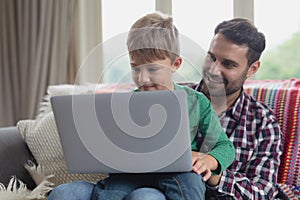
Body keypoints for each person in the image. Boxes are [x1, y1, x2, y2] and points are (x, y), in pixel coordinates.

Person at [48, 12, 235, 200]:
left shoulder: (196, 102)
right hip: (131, 176)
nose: (142, 78)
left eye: (152, 69)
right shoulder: (124, 104)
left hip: (178, 174)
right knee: (79, 193)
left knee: (190, 184)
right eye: (135, 68)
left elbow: (225, 147)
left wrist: (209, 160)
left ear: (175, 64)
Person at [193, 18, 283, 199]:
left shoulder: (263, 124)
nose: (213, 70)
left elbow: (263, 191)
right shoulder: (171, 96)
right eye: (211, 57)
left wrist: (214, 172)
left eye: (228, 64)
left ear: (252, 69)